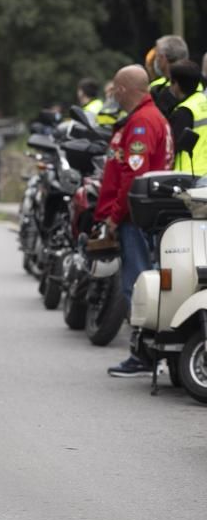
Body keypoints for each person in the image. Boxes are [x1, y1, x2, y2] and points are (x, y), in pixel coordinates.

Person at [94, 65, 173, 377]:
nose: (112, 92)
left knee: (137, 286)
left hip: (135, 218)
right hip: (140, 216)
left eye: (115, 87)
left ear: (125, 89)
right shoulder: (146, 118)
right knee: (145, 284)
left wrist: (114, 217)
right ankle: (150, 353)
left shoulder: (141, 122)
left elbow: (132, 176)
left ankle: (144, 356)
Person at [167, 60, 207, 176]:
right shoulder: (203, 101)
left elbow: (171, 148)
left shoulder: (183, 111)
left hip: (189, 174)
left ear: (176, 84)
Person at [150, 35, 190, 116]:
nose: (156, 60)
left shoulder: (158, 89)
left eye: (157, 55)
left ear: (164, 59)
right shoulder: (198, 83)